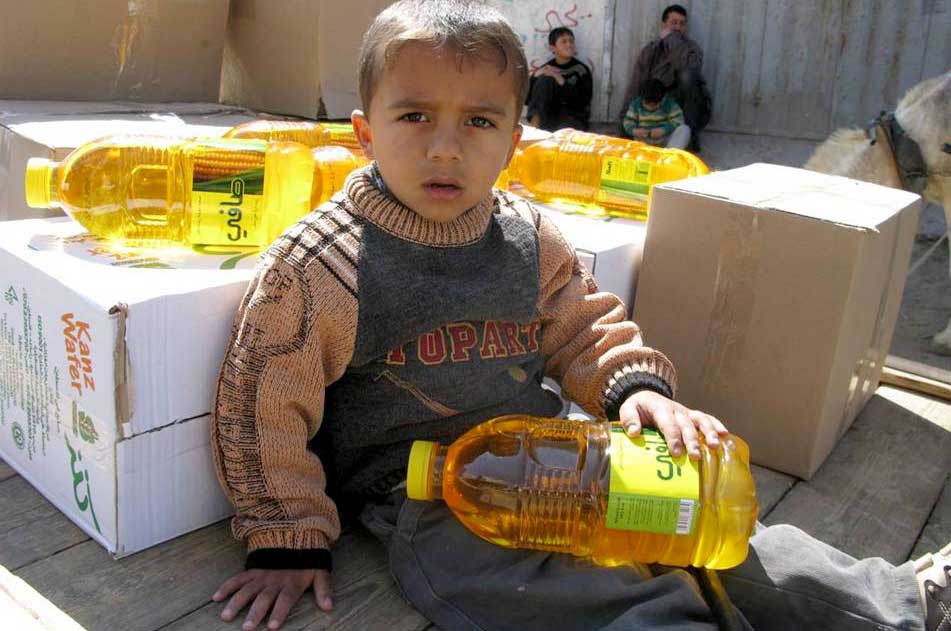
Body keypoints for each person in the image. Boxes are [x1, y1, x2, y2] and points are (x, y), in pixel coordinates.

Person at [209, 2, 951, 630]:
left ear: (514, 140)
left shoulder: (529, 238)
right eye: (413, 115)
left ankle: (899, 599)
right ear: (364, 133)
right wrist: (287, 535)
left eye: (477, 121)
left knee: (716, 532)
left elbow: (585, 325)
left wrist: (638, 392)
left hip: (562, 455)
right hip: (426, 500)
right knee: (580, 594)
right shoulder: (324, 265)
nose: (444, 146)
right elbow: (261, 397)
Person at [620, 4, 711, 150]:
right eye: (673, 23)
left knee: (688, 75)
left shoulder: (692, 48)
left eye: (682, 24)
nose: (677, 27)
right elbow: (637, 82)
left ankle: (690, 139)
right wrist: (624, 120)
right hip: (656, 105)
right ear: (664, 25)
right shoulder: (651, 50)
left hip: (683, 106)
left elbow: (687, 67)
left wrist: (671, 39)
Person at [525, 26, 592, 131]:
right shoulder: (547, 69)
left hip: (573, 118)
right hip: (549, 118)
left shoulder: (581, 70)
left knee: (560, 136)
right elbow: (527, 100)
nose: (569, 45)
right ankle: (533, 129)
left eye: (571, 41)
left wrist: (561, 80)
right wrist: (535, 76)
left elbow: (583, 101)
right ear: (553, 48)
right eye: (564, 42)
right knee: (544, 79)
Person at [622, 78, 691, 149]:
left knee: (684, 129)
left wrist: (664, 130)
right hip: (644, 140)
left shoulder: (669, 104)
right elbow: (628, 121)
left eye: (655, 104)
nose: (651, 108)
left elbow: (678, 120)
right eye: (647, 104)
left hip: (664, 139)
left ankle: (669, 154)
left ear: (662, 98)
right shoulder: (636, 105)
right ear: (642, 98)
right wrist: (635, 131)